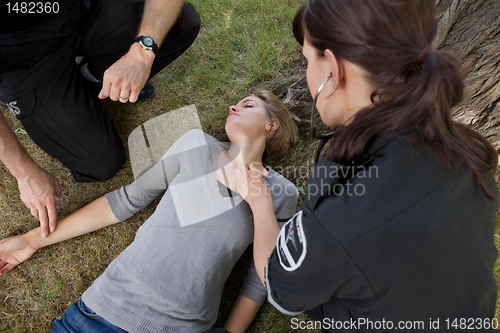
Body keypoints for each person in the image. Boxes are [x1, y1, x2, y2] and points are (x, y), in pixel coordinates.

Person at [237, 1, 499, 332]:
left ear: (331, 70)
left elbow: (278, 284)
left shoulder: (340, 214)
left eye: (307, 60)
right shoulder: (464, 151)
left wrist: (260, 202)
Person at [0, 91, 299, 333]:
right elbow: (126, 201)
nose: (233, 106)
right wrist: (31, 240)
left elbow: (262, 277)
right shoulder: (196, 144)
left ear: (270, 126)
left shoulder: (282, 193)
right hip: (97, 316)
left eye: (248, 104)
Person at [0, 0, 200, 238]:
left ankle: (92, 77)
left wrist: (143, 50)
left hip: (69, 9)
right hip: (18, 54)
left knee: (183, 20)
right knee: (100, 162)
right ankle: (60, 89)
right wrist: (25, 173)